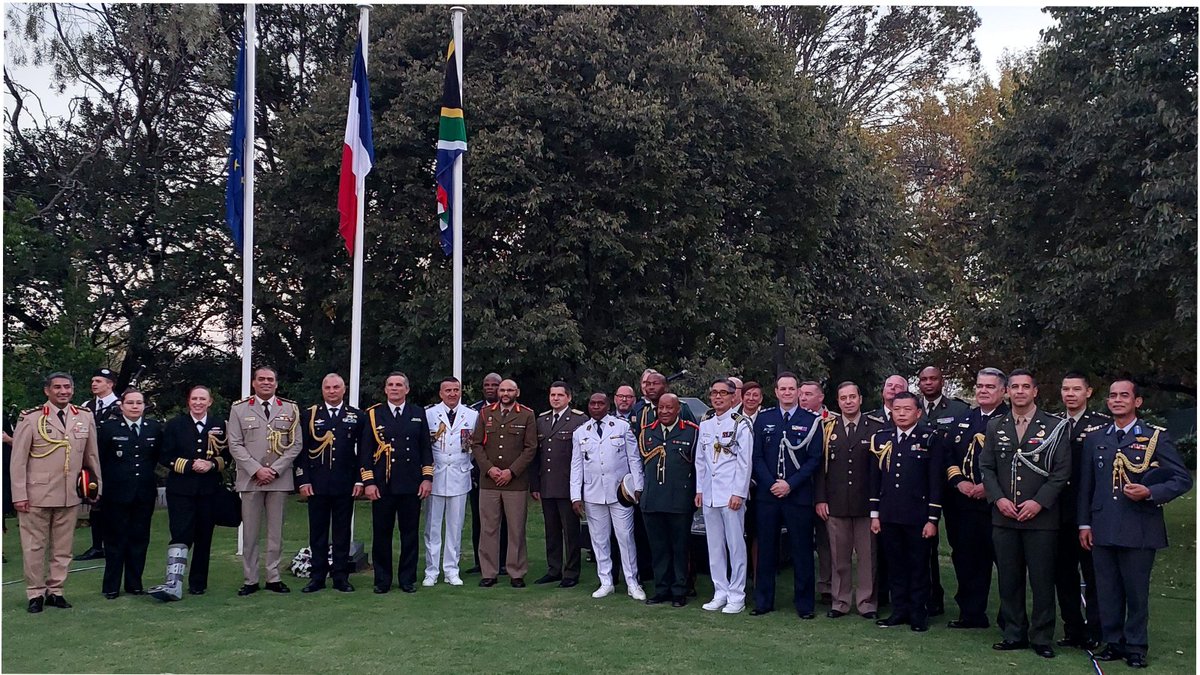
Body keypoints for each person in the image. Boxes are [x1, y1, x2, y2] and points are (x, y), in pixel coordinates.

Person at [1079, 379, 1192, 668]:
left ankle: (1136, 647)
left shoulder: (1155, 437)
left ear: (1137, 402)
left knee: (1136, 592)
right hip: (1103, 524)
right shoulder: (1096, 438)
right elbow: (1086, 487)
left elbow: (1182, 479)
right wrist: (1084, 524)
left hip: (1140, 526)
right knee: (1107, 589)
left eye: (1124, 396)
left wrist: (1151, 492)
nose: (1117, 400)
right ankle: (1113, 642)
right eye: (1113, 396)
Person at [979, 369, 1070, 659]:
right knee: (1009, 579)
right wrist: (998, 499)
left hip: (1040, 518)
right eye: (1014, 387)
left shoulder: (1055, 426)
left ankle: (1042, 637)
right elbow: (987, 467)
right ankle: (1014, 633)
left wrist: (1038, 503)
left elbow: (1061, 472)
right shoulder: (996, 426)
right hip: (1004, 516)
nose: (1019, 392)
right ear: (1007, 392)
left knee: (1042, 581)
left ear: (1035, 391)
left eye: (1025, 387)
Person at [10, 372, 102, 613]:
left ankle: (56, 590)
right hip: (36, 494)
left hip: (69, 493)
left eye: (67, 387)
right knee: (34, 546)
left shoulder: (83, 416)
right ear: (47, 391)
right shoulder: (31, 418)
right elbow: (18, 461)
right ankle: (35, 593)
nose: (63, 391)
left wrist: (95, 487)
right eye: (58, 387)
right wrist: (19, 494)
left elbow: (91, 456)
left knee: (63, 547)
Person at [868, 392, 945, 632]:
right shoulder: (881, 438)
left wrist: (932, 519)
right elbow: (875, 479)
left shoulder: (930, 438)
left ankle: (918, 613)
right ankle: (899, 610)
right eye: (897, 409)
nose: (901, 413)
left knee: (919, 566)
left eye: (907, 409)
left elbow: (935, 482)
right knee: (895, 565)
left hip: (918, 516)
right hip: (889, 514)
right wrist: (874, 514)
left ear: (918, 413)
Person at [750, 372, 822, 620]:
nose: (788, 393)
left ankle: (804, 604)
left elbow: (814, 459)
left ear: (799, 392)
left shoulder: (811, 420)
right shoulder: (764, 418)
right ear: (776, 391)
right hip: (768, 495)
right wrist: (771, 484)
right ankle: (763, 601)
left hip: (797, 495)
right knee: (767, 550)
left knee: (801, 550)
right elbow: (756, 457)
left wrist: (789, 485)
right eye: (783, 389)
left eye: (792, 389)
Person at [228, 365, 303, 596]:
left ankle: (273, 577)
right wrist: (256, 470)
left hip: (278, 479)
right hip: (251, 480)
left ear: (276, 383)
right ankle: (250, 579)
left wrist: (275, 470)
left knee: (275, 533)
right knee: (250, 533)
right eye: (261, 379)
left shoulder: (290, 409)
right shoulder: (239, 409)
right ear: (254, 383)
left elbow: (295, 444)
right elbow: (235, 444)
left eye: (270, 379)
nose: (266, 383)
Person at [943, 367, 1009, 629]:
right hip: (965, 505)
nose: (983, 391)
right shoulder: (964, 419)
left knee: (1006, 563)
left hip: (998, 505)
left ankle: (1010, 619)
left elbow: (1014, 464)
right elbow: (948, 454)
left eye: (990, 387)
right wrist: (959, 482)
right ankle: (971, 614)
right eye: (980, 386)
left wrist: (987, 487)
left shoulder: (1011, 421)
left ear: (1003, 391)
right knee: (967, 560)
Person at [150, 385, 229, 601]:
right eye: (194, 399)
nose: (198, 403)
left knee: (204, 538)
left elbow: (228, 456)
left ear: (210, 402)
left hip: (208, 490)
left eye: (202, 399)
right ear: (188, 401)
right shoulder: (175, 425)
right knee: (180, 535)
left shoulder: (219, 425)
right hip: (181, 490)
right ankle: (173, 582)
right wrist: (189, 465)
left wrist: (211, 465)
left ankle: (198, 584)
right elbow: (165, 456)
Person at [816, 381, 886, 619]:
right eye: (843, 398)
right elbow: (820, 468)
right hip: (836, 504)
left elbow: (881, 468)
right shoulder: (827, 428)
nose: (848, 402)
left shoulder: (875, 427)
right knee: (839, 558)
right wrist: (820, 499)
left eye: (852, 397)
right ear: (838, 401)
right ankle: (840, 602)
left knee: (867, 558)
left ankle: (867, 603)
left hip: (866, 504)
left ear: (860, 399)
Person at [360, 372, 433, 594]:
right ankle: (382, 580)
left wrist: (427, 478)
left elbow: (425, 449)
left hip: (411, 484)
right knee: (382, 534)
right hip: (383, 484)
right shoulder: (373, 415)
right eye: (390, 385)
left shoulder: (418, 413)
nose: (394, 388)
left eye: (399, 385)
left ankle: (407, 579)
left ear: (407, 389)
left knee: (410, 533)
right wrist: (368, 482)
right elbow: (365, 452)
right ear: (385, 389)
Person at [570, 392, 644, 600]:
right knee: (599, 540)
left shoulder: (621, 427)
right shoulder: (580, 432)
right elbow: (576, 466)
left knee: (625, 538)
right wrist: (575, 496)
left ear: (607, 405)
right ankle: (606, 581)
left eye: (600, 403)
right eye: (592, 403)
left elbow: (634, 458)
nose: (595, 407)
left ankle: (632, 582)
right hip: (593, 493)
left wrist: (638, 486)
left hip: (620, 493)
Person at [1053, 371, 1107, 648]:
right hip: (1057, 512)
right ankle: (1073, 629)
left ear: (1088, 392)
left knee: (1094, 575)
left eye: (1076, 389)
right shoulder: (1051, 424)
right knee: (1063, 574)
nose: (1070, 394)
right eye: (1065, 389)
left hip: (1088, 512)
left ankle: (1097, 631)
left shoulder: (1101, 426)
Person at [297, 373, 363, 594]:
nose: (332, 391)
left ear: (344, 390)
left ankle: (340, 577)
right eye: (328, 387)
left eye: (336, 387)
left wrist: (360, 479)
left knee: (342, 533)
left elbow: (362, 452)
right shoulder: (310, 415)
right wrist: (303, 479)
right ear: (322, 390)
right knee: (318, 533)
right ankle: (317, 577)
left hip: (345, 483)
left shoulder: (356, 415)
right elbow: (302, 450)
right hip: (317, 483)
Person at [470, 379, 537, 588]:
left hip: (514, 483)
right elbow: (476, 444)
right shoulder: (485, 413)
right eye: (502, 390)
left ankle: (516, 572)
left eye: (509, 390)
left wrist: (511, 471)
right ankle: (489, 572)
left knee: (516, 529)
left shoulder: (527, 414)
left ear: (517, 392)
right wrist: (489, 469)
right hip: (489, 481)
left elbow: (530, 448)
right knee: (488, 528)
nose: (505, 393)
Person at [97, 389, 161, 598]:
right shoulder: (108, 428)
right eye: (131, 403)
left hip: (143, 493)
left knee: (139, 540)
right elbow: (100, 459)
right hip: (115, 493)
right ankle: (111, 587)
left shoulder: (153, 428)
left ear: (144, 406)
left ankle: (134, 584)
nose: (135, 406)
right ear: (121, 406)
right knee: (115, 540)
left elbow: (154, 459)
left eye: (139, 403)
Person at [696, 379, 753, 614]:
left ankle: (737, 594)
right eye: (714, 393)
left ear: (733, 397)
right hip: (710, 493)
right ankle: (720, 590)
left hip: (731, 494)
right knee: (714, 546)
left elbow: (745, 461)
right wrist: (699, 489)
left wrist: (739, 492)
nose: (718, 397)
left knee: (735, 545)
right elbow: (701, 460)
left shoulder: (741, 423)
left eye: (723, 393)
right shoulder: (707, 422)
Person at [637, 394, 699, 607]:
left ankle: (680, 590)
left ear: (678, 409)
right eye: (661, 408)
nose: (664, 411)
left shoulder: (691, 431)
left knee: (680, 547)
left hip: (679, 499)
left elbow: (697, 466)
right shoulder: (646, 432)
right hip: (652, 499)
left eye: (669, 408)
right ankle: (661, 589)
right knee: (659, 548)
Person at [423, 376, 477, 587]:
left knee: (455, 527)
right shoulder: (429, 414)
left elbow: (473, 447)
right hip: (435, 476)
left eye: (456, 390)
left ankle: (451, 570)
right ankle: (431, 571)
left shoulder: (471, 415)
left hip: (459, 474)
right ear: (441, 393)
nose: (452, 394)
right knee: (433, 527)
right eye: (448, 390)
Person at [531, 381, 587, 587]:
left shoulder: (579, 420)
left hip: (568, 486)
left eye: (560, 395)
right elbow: (537, 455)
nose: (555, 398)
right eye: (552, 395)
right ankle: (553, 569)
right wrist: (535, 485)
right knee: (551, 530)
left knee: (570, 531)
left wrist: (579, 489)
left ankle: (571, 572)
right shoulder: (542, 420)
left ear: (569, 398)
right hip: (547, 485)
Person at [77, 367, 120, 561]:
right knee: (95, 502)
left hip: (113, 462)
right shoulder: (87, 405)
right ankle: (97, 546)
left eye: (99, 381)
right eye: (93, 380)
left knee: (112, 504)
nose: (94, 384)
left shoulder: (121, 405)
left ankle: (113, 543)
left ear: (110, 384)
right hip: (93, 461)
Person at [800, 380, 837, 605]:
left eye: (808, 394)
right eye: (801, 394)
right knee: (803, 539)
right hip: (802, 488)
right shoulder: (795, 418)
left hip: (827, 489)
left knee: (827, 540)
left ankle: (828, 585)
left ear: (820, 397)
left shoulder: (832, 420)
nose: (803, 398)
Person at [467, 372, 505, 574]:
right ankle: (480, 561)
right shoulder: (472, 411)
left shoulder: (511, 410)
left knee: (505, 521)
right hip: (478, 473)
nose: (490, 388)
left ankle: (504, 562)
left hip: (504, 473)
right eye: (486, 385)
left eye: (495, 385)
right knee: (479, 519)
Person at [917, 366, 971, 433]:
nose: (928, 382)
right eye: (924, 379)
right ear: (919, 384)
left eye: (933, 379)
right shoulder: (912, 408)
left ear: (942, 382)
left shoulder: (960, 409)